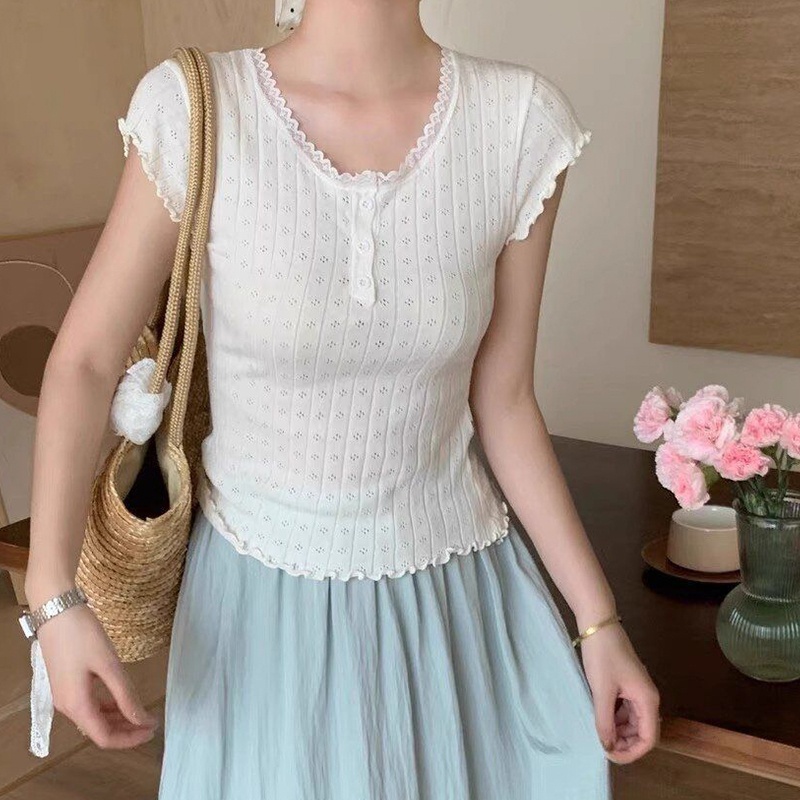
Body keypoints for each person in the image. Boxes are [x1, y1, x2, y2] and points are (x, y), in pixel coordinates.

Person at [23, 1, 660, 797]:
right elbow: (85, 361)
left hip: (457, 602)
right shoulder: (195, 109)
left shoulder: (519, 122)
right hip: (261, 609)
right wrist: (51, 596)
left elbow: (503, 399)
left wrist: (598, 624)